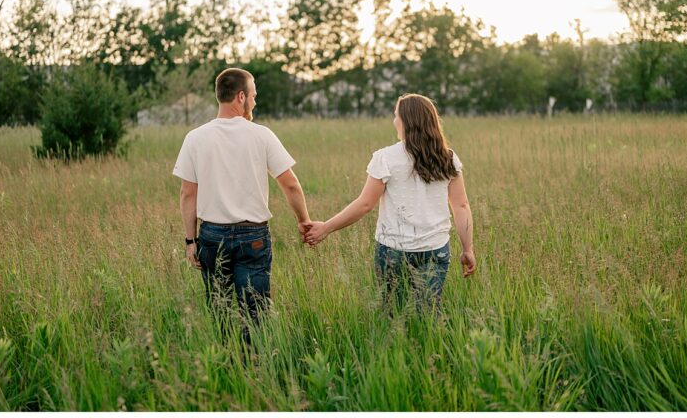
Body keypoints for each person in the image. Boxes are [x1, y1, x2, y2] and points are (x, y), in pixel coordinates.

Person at [304, 94, 476, 312]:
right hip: (435, 249)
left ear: (406, 120)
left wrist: (326, 228)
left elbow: (365, 204)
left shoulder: (386, 157)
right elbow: (461, 206)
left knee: (394, 316)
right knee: (428, 314)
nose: (394, 120)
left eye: (396, 115)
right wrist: (467, 248)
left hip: (394, 249)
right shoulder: (447, 157)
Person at [173, 67, 310, 338]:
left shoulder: (195, 138)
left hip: (211, 236)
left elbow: (188, 193)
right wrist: (304, 221)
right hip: (254, 237)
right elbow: (291, 184)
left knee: (220, 310)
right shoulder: (262, 135)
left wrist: (191, 242)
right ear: (240, 97)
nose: (255, 102)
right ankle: (255, 365)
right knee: (256, 312)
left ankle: (229, 362)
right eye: (253, 96)